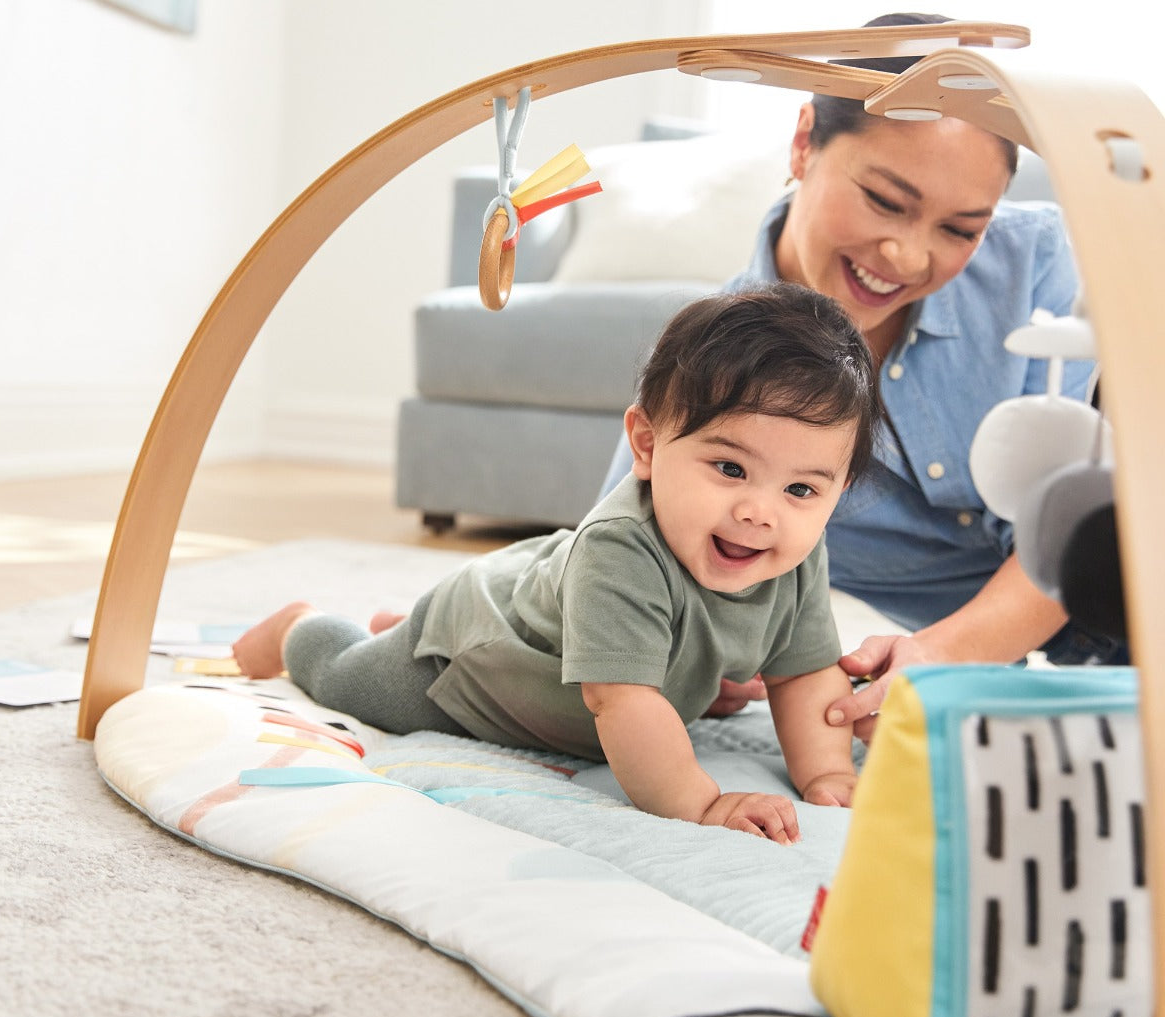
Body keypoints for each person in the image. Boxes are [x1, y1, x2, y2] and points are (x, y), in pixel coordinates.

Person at [600, 12, 1117, 741]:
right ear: (805, 140)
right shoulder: (712, 359)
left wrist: (940, 654)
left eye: (961, 229)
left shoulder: (1038, 266)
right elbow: (612, 557)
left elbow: (1083, 519)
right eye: (884, 201)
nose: (907, 258)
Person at [233, 284, 883, 843]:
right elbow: (622, 702)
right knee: (355, 685)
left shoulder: (795, 554)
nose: (760, 512)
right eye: (730, 468)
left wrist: (828, 774)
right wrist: (703, 803)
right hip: (479, 659)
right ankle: (304, 628)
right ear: (648, 446)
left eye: (802, 489)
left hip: (552, 604)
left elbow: (805, 676)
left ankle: (393, 624)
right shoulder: (624, 551)